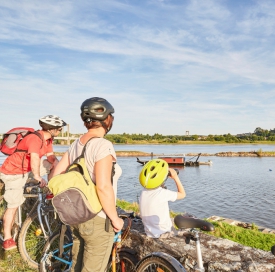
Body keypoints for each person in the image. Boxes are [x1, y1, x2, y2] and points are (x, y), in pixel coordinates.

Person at [51, 97, 123, 272]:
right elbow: (103, 187)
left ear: (86, 122)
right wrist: (115, 219)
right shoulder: (103, 145)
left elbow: (55, 175)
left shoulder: (77, 144)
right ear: (107, 119)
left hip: (76, 216)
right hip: (97, 218)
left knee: (77, 265)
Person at [0, 115, 66, 251]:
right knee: (13, 205)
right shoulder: (35, 139)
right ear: (51, 128)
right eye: (59, 128)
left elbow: (51, 158)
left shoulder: (48, 140)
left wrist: (62, 176)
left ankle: (51, 191)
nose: (60, 130)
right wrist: (37, 177)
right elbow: (35, 158)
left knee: (52, 164)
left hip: (27, 168)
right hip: (13, 172)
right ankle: (7, 238)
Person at [139, 159, 186, 238]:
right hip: (164, 233)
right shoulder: (162, 193)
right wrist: (175, 177)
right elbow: (183, 194)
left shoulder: (144, 192)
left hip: (149, 232)